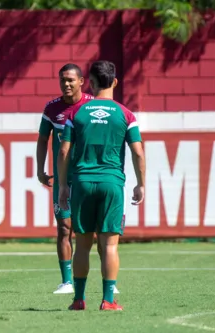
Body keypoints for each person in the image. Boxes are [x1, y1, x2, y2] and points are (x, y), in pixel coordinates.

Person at [57, 60, 145, 311]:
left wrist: (64, 186)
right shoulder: (126, 114)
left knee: (82, 245)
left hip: (82, 183)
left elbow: (64, 152)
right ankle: (108, 300)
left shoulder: (76, 113)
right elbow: (138, 152)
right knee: (109, 245)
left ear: (91, 84)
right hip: (111, 184)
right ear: (115, 82)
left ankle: (78, 299)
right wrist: (141, 184)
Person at [36, 63, 93, 294]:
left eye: (70, 80)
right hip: (62, 177)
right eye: (62, 80)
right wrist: (40, 169)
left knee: (93, 229)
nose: (66, 84)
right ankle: (67, 281)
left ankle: (107, 280)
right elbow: (42, 139)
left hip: (88, 175)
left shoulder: (92, 106)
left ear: (81, 81)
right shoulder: (52, 109)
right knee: (63, 228)